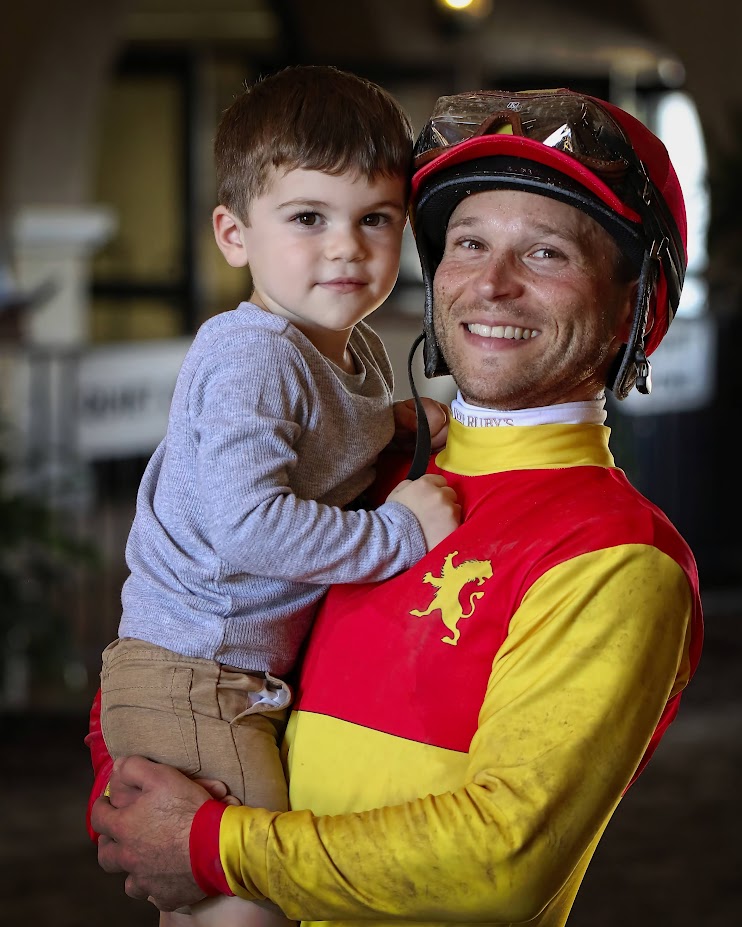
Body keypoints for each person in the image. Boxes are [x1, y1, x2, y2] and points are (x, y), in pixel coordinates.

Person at [91, 87, 704, 927]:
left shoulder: (614, 555)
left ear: (635, 308)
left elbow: (501, 862)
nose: (491, 285)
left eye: (547, 254)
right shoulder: (374, 467)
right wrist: (135, 789)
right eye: (468, 242)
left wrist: (209, 844)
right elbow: (182, 628)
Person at [92, 64, 460, 927]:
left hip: (227, 672)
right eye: (307, 218)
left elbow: (316, 444)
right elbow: (248, 524)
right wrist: (397, 534)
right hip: (197, 669)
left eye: (375, 219)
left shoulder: (344, 348)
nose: (346, 247)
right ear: (233, 234)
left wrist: (396, 424)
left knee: (220, 898)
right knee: (251, 897)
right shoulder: (252, 353)